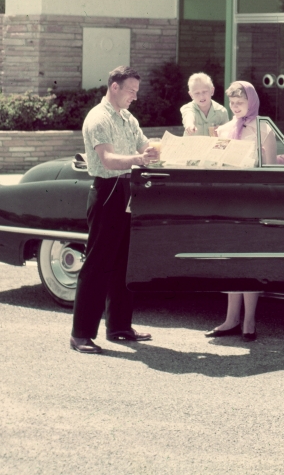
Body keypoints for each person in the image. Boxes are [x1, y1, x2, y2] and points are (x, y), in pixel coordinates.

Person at [69, 65, 160, 355]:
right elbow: (108, 159)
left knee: (124, 263)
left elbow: (144, 146)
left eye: (137, 91)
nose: (135, 96)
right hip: (107, 192)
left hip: (129, 191)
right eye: (131, 91)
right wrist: (139, 159)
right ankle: (81, 334)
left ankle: (119, 326)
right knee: (97, 265)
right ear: (115, 87)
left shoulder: (128, 118)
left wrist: (156, 150)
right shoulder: (98, 118)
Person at [205, 80, 277, 342]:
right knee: (229, 260)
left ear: (252, 102)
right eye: (232, 103)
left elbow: (271, 171)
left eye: (240, 102)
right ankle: (231, 319)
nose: (235, 107)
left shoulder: (265, 129)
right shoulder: (224, 129)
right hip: (228, 201)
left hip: (253, 201)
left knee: (249, 260)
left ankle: (249, 321)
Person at [180, 72, 229, 137]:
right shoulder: (188, 108)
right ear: (191, 95)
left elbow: (228, 133)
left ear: (212, 91)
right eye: (197, 93)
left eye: (205, 92)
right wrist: (190, 125)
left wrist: (222, 130)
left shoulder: (221, 111)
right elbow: (188, 116)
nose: (201, 96)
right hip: (192, 143)